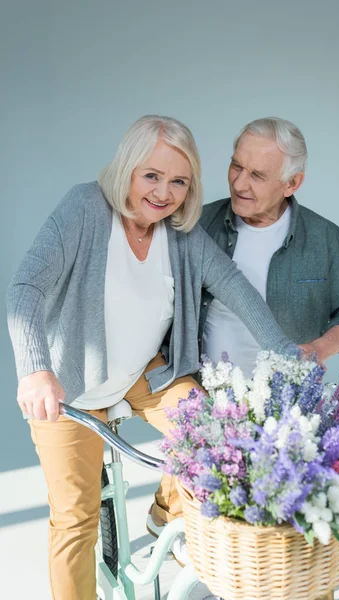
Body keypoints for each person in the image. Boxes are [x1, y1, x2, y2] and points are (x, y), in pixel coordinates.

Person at [6, 115, 295, 600]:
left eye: (179, 181)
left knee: (215, 433)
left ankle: (171, 515)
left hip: (144, 372)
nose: (164, 193)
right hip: (71, 384)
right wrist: (35, 370)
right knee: (76, 517)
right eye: (152, 176)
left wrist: (288, 357)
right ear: (127, 169)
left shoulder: (181, 234)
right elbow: (25, 287)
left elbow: (237, 291)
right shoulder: (84, 208)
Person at [199, 117, 339, 376]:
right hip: (200, 401)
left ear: (292, 183)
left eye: (257, 175)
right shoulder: (198, 225)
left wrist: (320, 347)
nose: (238, 184)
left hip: (287, 407)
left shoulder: (325, 238)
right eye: (236, 166)